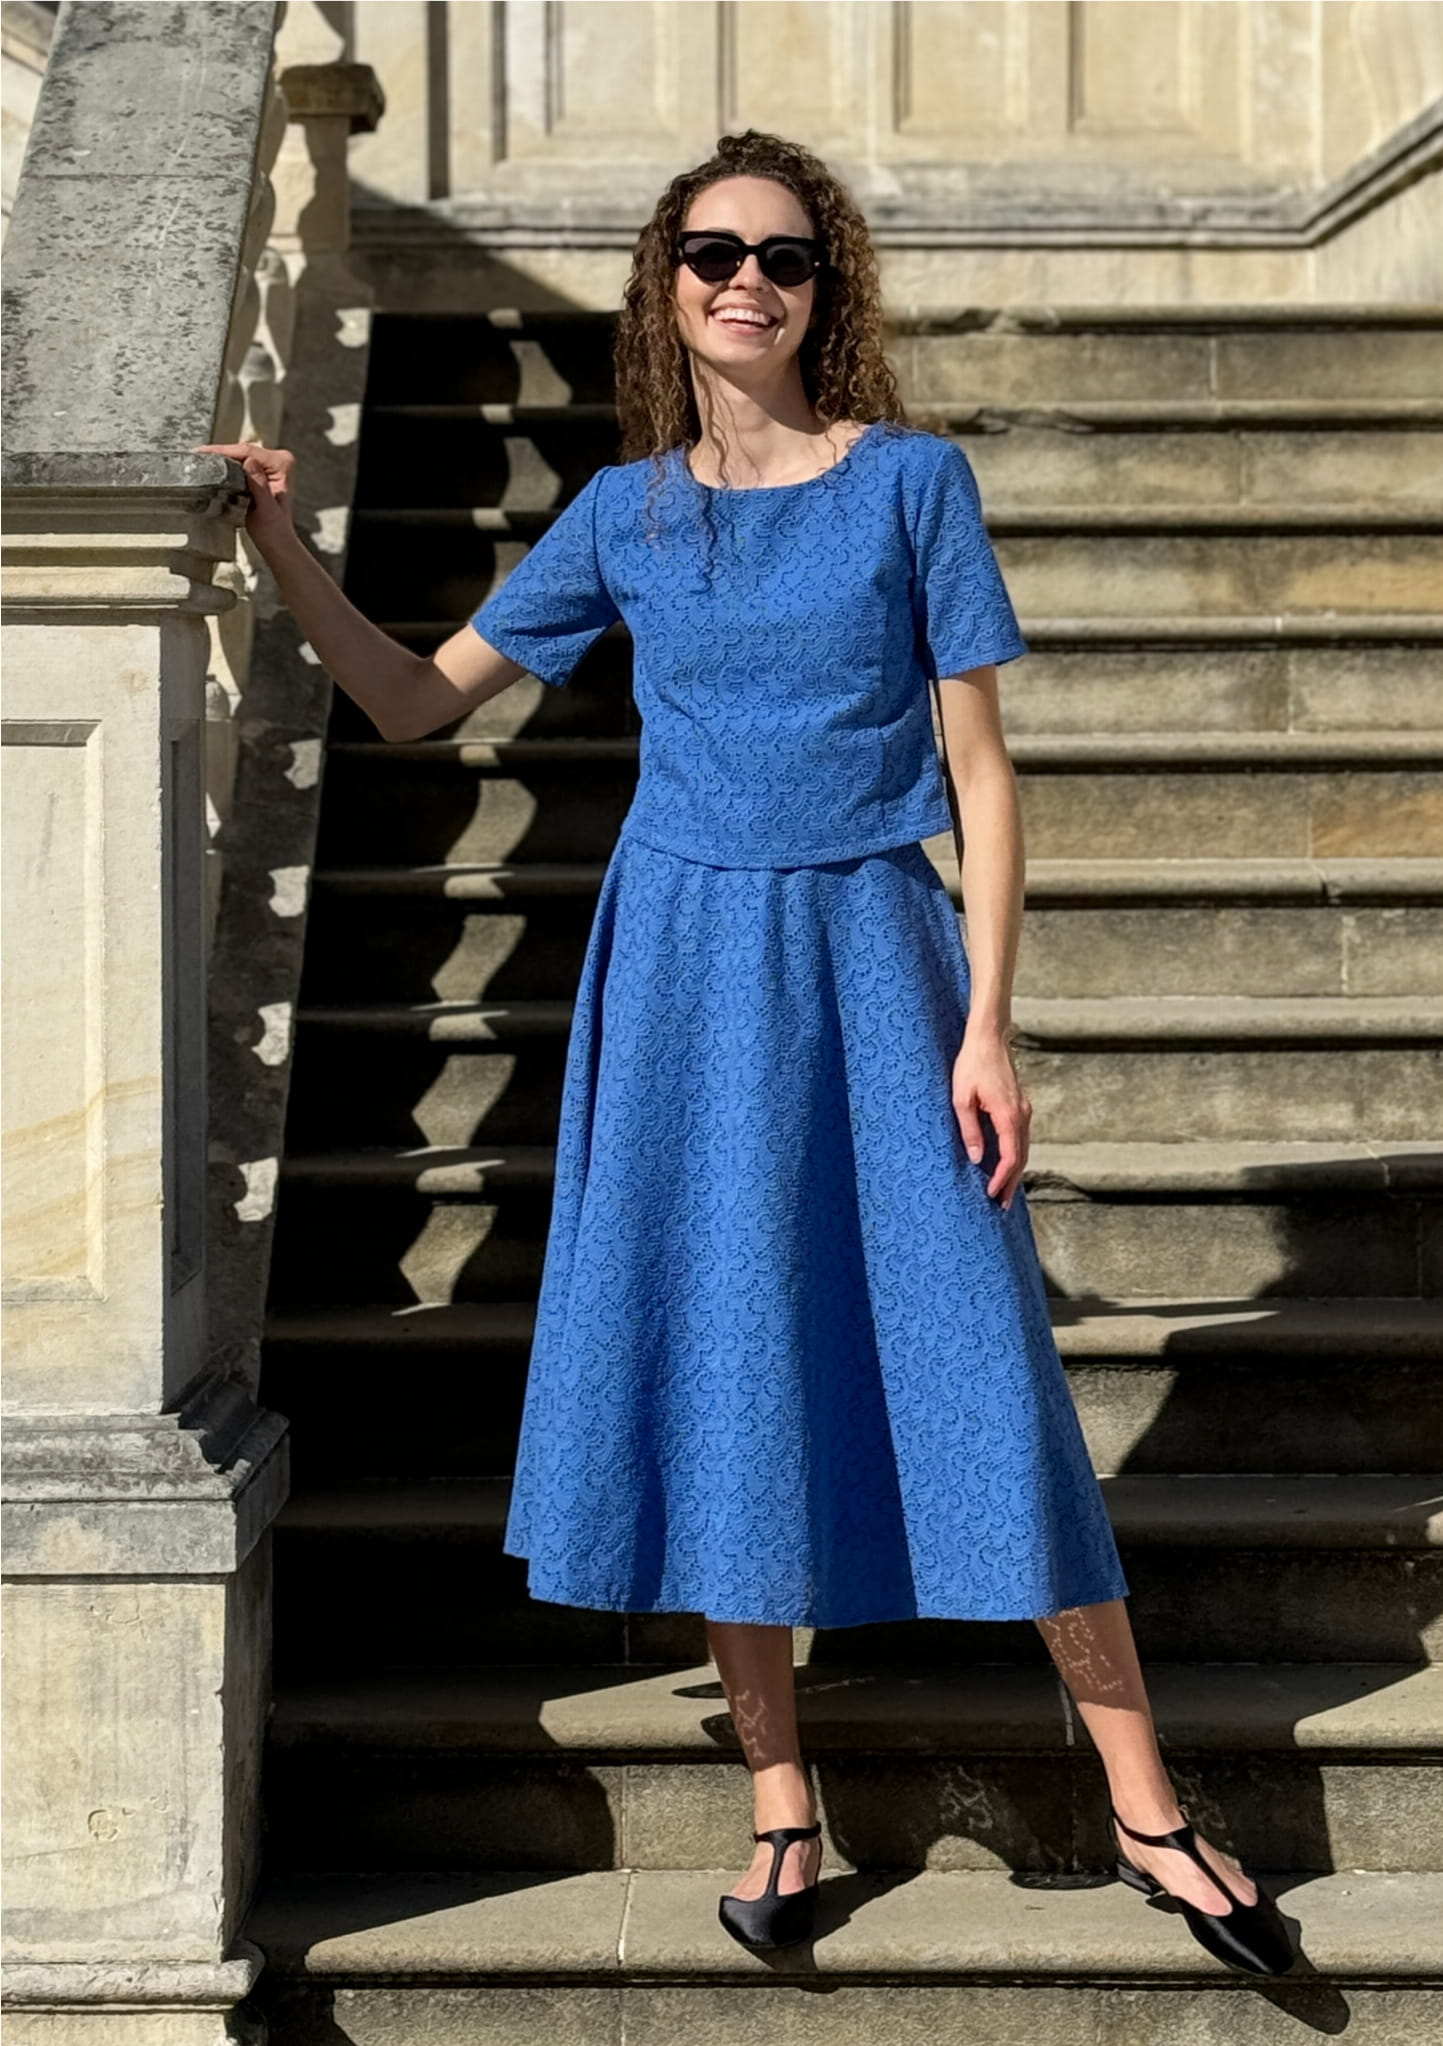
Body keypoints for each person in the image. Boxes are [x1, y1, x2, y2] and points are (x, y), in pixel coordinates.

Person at [198, 126, 1296, 1979]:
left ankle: (1146, 1807)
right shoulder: (626, 514)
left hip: (879, 951)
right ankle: (781, 1798)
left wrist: (988, 1023)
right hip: (688, 972)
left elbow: (981, 773)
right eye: (713, 253)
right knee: (731, 1363)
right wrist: (279, 535)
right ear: (668, 282)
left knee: (982, 1361)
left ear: (822, 289)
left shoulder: (912, 482)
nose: (746, 283)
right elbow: (407, 700)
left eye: (784, 257)